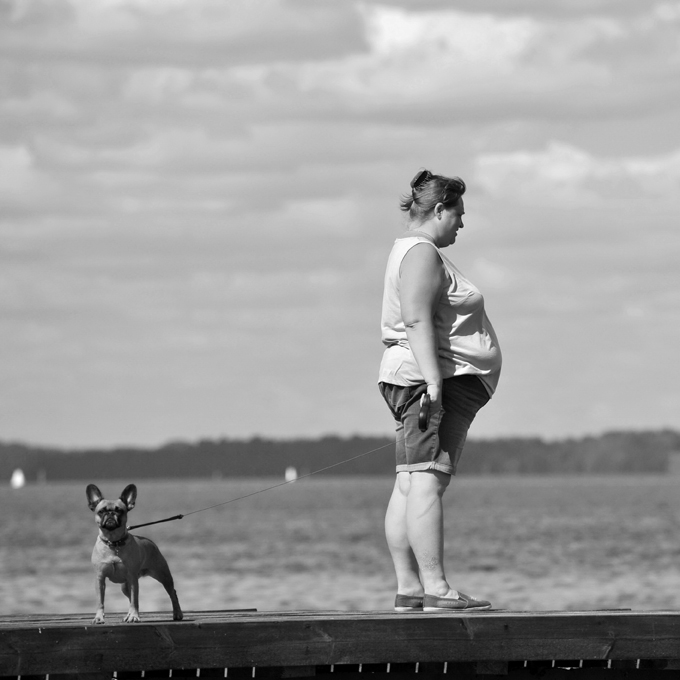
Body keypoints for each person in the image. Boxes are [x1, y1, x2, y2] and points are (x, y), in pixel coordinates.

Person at [378, 169, 502, 611]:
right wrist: (433, 381)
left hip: (419, 380)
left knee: (410, 483)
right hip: (427, 383)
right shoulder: (421, 254)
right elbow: (414, 319)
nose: (462, 224)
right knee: (426, 481)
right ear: (439, 210)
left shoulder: (415, 251)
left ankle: (411, 590)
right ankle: (437, 589)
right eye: (459, 214)